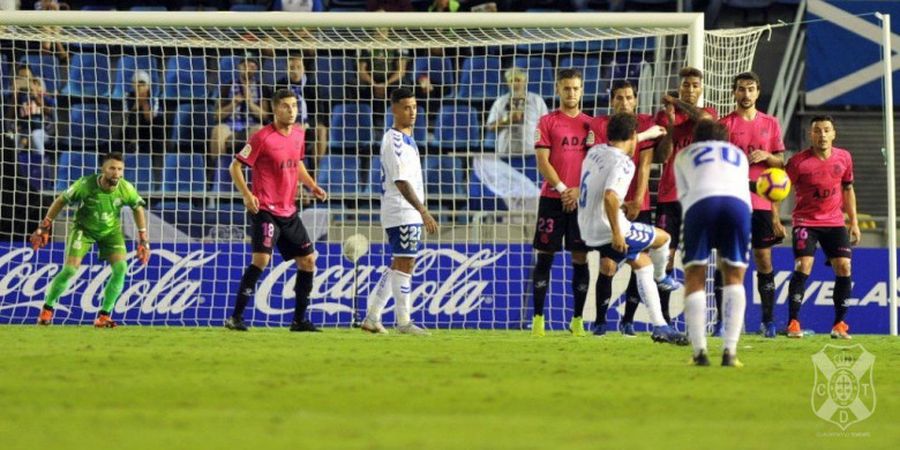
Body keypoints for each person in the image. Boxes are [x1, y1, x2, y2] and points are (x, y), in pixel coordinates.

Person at [224, 89, 328, 332]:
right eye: (285, 106)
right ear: (274, 109)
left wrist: (312, 185)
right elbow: (235, 166)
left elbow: (297, 162)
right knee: (261, 259)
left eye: (294, 106)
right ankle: (235, 317)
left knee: (308, 261)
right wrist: (247, 196)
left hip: (288, 211)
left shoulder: (299, 135)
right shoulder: (261, 137)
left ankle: (299, 320)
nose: (291, 110)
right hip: (265, 209)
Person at [578, 112, 685, 344]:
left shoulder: (595, 151)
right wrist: (617, 233)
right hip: (608, 228)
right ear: (633, 136)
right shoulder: (624, 164)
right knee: (664, 239)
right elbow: (609, 196)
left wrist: (620, 205)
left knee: (642, 264)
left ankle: (660, 327)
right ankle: (663, 276)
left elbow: (598, 189)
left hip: (586, 225)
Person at [30, 152, 150, 328]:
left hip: (110, 232)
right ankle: (47, 309)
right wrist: (45, 225)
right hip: (83, 230)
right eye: (112, 168)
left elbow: (138, 208)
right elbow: (61, 200)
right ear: (103, 169)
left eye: (120, 169)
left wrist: (143, 239)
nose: (116, 173)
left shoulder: (126, 188)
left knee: (121, 268)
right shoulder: (85, 184)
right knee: (70, 270)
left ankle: (104, 316)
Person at [588, 80, 664, 337]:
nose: (624, 102)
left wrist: (637, 200)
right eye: (619, 97)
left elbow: (645, 166)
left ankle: (628, 321)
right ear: (612, 101)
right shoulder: (602, 125)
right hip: (609, 205)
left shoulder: (644, 122)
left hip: (636, 203)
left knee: (639, 262)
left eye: (628, 97)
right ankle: (599, 320)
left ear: (636, 100)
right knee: (608, 265)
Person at [361, 88, 439, 335]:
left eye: (415, 106)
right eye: (406, 107)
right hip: (402, 210)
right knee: (405, 264)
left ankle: (372, 317)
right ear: (394, 109)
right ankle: (404, 322)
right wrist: (423, 210)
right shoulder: (394, 140)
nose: (412, 111)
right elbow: (401, 181)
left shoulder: (407, 139)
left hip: (403, 211)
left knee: (399, 263)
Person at [675, 120, 752, 367]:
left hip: (701, 203)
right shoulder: (739, 154)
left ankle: (700, 353)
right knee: (734, 277)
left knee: (695, 276)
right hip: (738, 207)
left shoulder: (684, 154)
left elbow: (683, 197)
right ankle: (730, 352)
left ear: (696, 138)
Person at [718, 71, 786, 338]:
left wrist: (767, 155)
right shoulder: (725, 125)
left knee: (764, 259)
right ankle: (722, 322)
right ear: (734, 93)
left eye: (751, 89)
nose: (746, 94)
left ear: (758, 92)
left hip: (761, 202)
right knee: (727, 260)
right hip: (733, 199)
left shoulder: (771, 123)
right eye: (741, 89)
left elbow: (781, 165)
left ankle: (767, 321)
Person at [530, 68, 593, 337]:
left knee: (580, 258)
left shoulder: (592, 125)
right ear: (558, 89)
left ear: (582, 90)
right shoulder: (546, 122)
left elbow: (595, 165)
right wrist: (564, 189)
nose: (571, 93)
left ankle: (577, 320)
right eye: (566, 88)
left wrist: (579, 191)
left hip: (582, 200)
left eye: (576, 88)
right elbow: (542, 162)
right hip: (552, 199)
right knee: (545, 257)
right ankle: (538, 320)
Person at [784, 116, 858, 340]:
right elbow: (780, 189)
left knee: (844, 267)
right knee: (803, 264)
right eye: (817, 131)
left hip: (835, 222)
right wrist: (775, 219)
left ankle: (839, 324)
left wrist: (853, 221)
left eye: (827, 130)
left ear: (834, 133)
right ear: (810, 135)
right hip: (806, 221)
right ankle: (794, 323)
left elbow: (847, 189)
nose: (822, 135)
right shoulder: (798, 162)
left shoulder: (844, 158)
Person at [654, 66, 717, 327]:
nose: (690, 89)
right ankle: (665, 318)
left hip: (697, 197)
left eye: (694, 85)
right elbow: (661, 157)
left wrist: (676, 102)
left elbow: (703, 120)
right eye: (686, 85)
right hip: (670, 195)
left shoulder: (709, 112)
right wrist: (669, 126)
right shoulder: (664, 115)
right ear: (680, 86)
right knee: (665, 257)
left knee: (695, 257)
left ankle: (695, 318)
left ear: (701, 89)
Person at [270, 55, 328, 170]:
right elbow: (276, 111)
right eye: (291, 67)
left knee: (321, 130)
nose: (295, 71)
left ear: (304, 69)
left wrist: (307, 124)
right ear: (286, 69)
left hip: (308, 124)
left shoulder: (313, 86)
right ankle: (287, 169)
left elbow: (320, 112)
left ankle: (317, 169)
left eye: (298, 67)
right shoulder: (280, 85)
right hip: (286, 123)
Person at [209, 58, 268, 157]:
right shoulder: (227, 86)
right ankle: (219, 169)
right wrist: (233, 104)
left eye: (251, 66)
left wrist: (250, 103)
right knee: (218, 131)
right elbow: (217, 116)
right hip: (230, 126)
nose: (247, 68)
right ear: (239, 67)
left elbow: (265, 116)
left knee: (259, 130)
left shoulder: (262, 87)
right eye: (244, 65)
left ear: (256, 68)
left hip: (252, 125)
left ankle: (251, 168)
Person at [485, 67, 548, 156]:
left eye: (518, 80)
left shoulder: (537, 100)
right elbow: (490, 127)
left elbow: (546, 126)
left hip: (531, 153)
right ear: (507, 83)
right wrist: (507, 120)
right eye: (511, 81)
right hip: (506, 153)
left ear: (525, 81)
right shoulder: (500, 102)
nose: (515, 84)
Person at [6, 66, 55, 159]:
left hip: (41, 129)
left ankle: (40, 161)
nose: (24, 80)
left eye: (27, 78)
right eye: (21, 78)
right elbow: (10, 116)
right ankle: (18, 165)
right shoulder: (17, 96)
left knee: (35, 135)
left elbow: (50, 111)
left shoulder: (41, 94)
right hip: (23, 129)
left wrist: (36, 96)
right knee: (16, 138)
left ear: (32, 79)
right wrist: (15, 95)